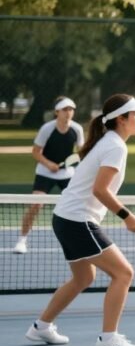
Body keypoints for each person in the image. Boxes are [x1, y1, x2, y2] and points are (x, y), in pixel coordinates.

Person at [24, 94, 135, 346]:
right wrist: (128, 216)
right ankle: (108, 340)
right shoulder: (115, 146)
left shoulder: (109, 142)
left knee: (84, 277)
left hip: (65, 217)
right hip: (76, 220)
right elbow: (100, 190)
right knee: (124, 273)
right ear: (121, 119)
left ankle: (41, 327)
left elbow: (99, 189)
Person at [13, 97, 85, 254]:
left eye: (71, 109)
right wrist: (49, 164)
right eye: (65, 110)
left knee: (79, 206)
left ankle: (80, 239)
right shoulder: (47, 129)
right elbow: (35, 152)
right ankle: (22, 240)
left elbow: (81, 152)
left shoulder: (77, 129)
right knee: (36, 205)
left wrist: (73, 161)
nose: (68, 113)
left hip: (67, 173)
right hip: (45, 172)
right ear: (57, 112)